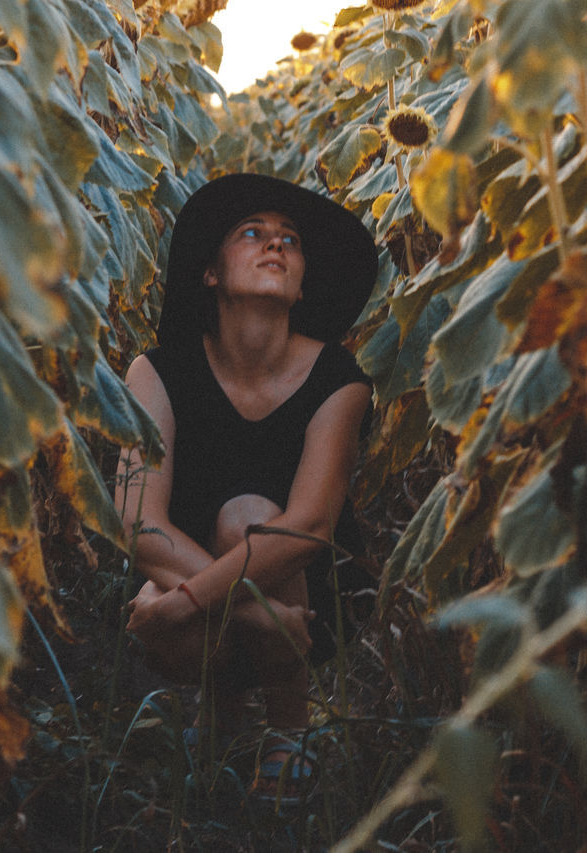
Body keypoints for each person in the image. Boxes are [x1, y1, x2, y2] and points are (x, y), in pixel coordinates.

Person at [116, 172, 379, 798]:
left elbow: (310, 527)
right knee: (236, 544)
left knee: (251, 515)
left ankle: (290, 729)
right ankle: (225, 717)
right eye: (253, 233)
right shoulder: (156, 372)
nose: (277, 246)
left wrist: (183, 603)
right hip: (204, 584)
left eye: (291, 241)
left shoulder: (340, 379)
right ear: (211, 272)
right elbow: (137, 524)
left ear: (303, 281)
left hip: (313, 601)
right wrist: (247, 613)